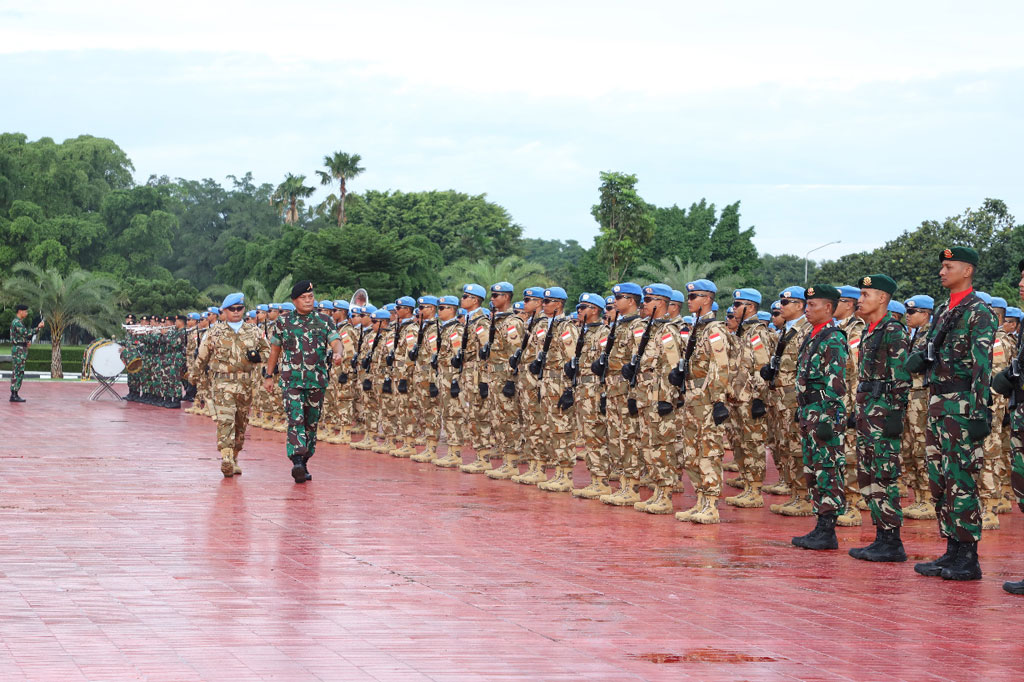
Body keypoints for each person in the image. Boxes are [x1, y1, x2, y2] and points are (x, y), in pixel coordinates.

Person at [911, 247, 996, 582]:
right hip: (938, 402)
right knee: (940, 479)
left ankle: (969, 555)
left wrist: (979, 411)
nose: (942, 272)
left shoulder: (979, 311)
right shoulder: (945, 308)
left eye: (949, 266)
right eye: (942, 267)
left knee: (961, 477)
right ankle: (951, 548)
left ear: (968, 270)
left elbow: (982, 366)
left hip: (962, 404)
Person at [847, 275, 910, 562]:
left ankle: (892, 540)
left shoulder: (893, 330)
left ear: (882, 298)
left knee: (884, 474)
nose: (860, 300)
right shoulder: (870, 331)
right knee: (868, 474)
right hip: (868, 411)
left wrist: (897, 414)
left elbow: (902, 376)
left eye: (865, 294)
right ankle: (881, 536)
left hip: (884, 412)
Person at [263, 281, 345, 484]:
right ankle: (297, 459)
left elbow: (336, 340)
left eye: (311, 297)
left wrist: (338, 353)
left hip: (316, 381)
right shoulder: (283, 322)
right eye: (304, 298)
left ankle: (305, 462)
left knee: (311, 422)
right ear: (294, 301)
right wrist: (269, 375)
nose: (308, 300)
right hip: (291, 381)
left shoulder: (325, 321)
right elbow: (275, 350)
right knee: (295, 418)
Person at [790, 285, 848, 551]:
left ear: (828, 308)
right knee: (813, 469)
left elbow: (835, 382)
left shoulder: (833, 337)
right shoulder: (813, 335)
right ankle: (820, 524)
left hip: (824, 414)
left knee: (827, 469)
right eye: (807, 304)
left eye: (813, 305)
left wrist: (827, 417)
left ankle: (828, 528)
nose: (807, 309)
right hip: (810, 412)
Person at [190, 293, 270, 477]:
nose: (236, 312)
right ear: (224, 311)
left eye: (239, 309)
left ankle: (234, 456)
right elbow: (202, 357)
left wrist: (259, 357)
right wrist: (194, 376)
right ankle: (226, 457)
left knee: (241, 423)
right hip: (223, 383)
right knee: (225, 419)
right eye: (231, 309)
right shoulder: (214, 333)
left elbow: (268, 353)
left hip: (246, 383)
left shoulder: (255, 332)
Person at [675, 279, 734, 524]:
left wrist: (719, 400)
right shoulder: (698, 329)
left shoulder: (715, 330)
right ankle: (700, 499)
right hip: (692, 398)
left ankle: (710, 504)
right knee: (691, 453)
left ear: (707, 299)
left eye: (694, 297)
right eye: (688, 297)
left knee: (708, 451)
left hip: (708, 399)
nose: (689, 301)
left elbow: (720, 366)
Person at [901, 295, 937, 521]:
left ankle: (928, 499)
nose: (908, 316)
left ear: (925, 314)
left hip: (923, 399)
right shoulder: (916, 336)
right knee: (910, 448)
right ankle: (918, 498)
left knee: (923, 447)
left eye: (912, 312)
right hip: (911, 397)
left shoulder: (932, 336)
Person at [8, 304, 43, 402]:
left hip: (20, 348)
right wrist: (38, 327)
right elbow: (26, 333)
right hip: (19, 350)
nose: (26, 313)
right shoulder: (17, 322)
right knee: (18, 371)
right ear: (20, 311)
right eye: (25, 311)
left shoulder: (18, 322)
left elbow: (21, 336)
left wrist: (25, 342)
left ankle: (15, 393)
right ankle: (14, 394)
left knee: (19, 371)